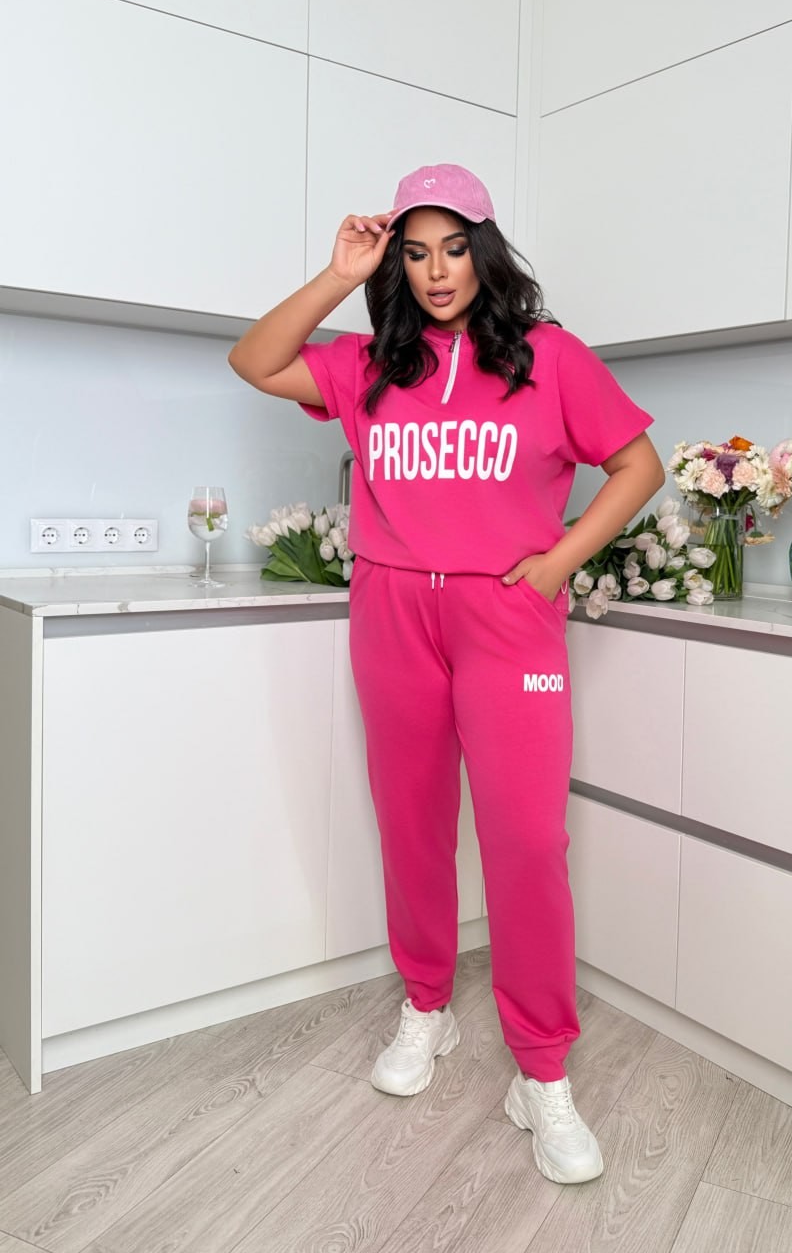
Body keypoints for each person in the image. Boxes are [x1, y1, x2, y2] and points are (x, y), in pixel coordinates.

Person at [228, 163, 664, 1184]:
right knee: (412, 822)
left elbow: (638, 464)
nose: (435, 271)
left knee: (527, 839)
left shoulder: (549, 358)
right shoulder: (370, 365)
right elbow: (255, 360)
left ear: (485, 250)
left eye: (454, 248)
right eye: (416, 252)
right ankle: (427, 1005)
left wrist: (561, 558)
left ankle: (541, 1069)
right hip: (391, 610)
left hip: (505, 618)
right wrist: (343, 275)